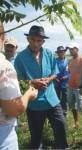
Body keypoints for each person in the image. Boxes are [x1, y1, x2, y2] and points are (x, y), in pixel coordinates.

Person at [14, 25, 69, 149]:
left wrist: (48, 79)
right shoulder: (20, 58)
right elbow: (19, 79)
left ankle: (64, 147)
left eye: (39, 41)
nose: (35, 43)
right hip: (35, 102)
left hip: (52, 99)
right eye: (33, 40)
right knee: (36, 133)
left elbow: (55, 72)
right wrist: (33, 82)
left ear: (43, 42)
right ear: (28, 39)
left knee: (61, 125)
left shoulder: (49, 54)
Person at [0, 22, 38, 150]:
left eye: (12, 47)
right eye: (8, 46)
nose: (9, 49)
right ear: (3, 39)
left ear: (15, 48)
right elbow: (15, 109)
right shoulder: (4, 65)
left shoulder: (17, 61)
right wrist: (28, 94)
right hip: (5, 122)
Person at [67, 42, 82, 128]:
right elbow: (70, 72)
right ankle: (76, 123)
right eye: (69, 49)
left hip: (79, 87)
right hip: (70, 86)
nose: (70, 51)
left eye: (72, 49)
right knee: (72, 105)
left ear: (77, 49)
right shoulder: (70, 61)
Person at [54, 46, 69, 118]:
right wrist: (55, 78)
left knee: (64, 98)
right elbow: (52, 70)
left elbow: (71, 72)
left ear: (64, 52)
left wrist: (65, 77)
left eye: (62, 52)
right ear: (57, 53)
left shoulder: (68, 61)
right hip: (56, 82)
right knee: (56, 97)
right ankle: (57, 112)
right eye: (59, 52)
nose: (61, 53)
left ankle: (65, 113)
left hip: (65, 83)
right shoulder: (54, 61)